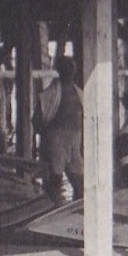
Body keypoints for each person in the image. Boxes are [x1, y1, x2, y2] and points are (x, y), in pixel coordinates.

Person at [35, 55, 84, 205]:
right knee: (55, 180)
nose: (70, 71)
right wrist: (47, 139)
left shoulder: (79, 92)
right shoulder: (50, 94)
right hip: (56, 140)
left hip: (74, 141)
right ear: (60, 71)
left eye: (72, 67)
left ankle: (77, 213)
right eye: (67, 67)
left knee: (80, 183)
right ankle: (52, 210)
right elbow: (36, 121)